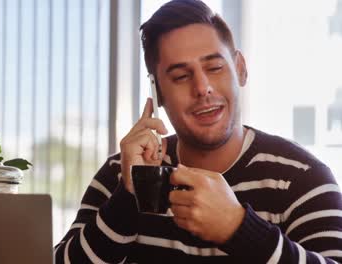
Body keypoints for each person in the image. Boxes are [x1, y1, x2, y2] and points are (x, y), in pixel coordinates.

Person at [54, 0, 342, 263]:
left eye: (215, 67)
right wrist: (129, 197)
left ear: (240, 69)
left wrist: (239, 229)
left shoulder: (302, 178)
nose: (202, 87)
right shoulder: (120, 173)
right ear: (158, 92)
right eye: (180, 76)